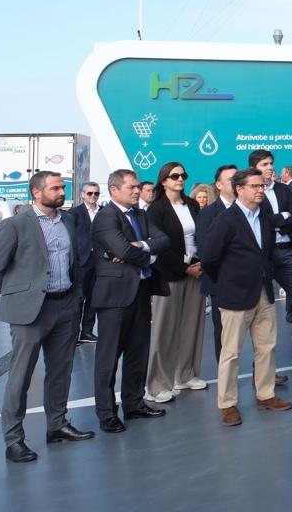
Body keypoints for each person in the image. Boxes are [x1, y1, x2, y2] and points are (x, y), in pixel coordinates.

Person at [0, 171, 93, 463]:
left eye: (62, 187)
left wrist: (75, 295)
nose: (61, 192)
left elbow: (75, 261)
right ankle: (14, 440)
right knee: (21, 377)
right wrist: (21, 295)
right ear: (36, 192)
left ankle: (57, 424)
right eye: (55, 188)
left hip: (65, 306)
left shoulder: (68, 220)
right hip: (31, 311)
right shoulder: (16, 225)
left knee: (61, 371)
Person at [198, 167, 292, 426]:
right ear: (239, 189)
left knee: (266, 346)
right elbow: (209, 258)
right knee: (231, 353)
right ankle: (227, 404)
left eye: (262, 186)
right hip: (234, 296)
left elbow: (267, 251)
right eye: (255, 186)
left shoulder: (264, 216)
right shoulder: (226, 221)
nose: (261, 190)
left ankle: (265, 394)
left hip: (263, 292)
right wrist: (228, 283)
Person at [91, 169, 170, 433]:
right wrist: (143, 250)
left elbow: (163, 240)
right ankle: (106, 414)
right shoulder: (105, 217)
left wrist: (142, 246)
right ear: (114, 190)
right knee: (109, 357)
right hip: (115, 297)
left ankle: (134, 404)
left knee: (138, 352)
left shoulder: (140, 213)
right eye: (132, 188)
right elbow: (121, 249)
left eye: (138, 187)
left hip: (141, 291)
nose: (137, 191)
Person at [144, 161, 208, 402]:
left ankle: (186, 374)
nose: (180, 179)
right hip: (170, 274)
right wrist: (184, 268)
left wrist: (200, 263)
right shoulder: (156, 209)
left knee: (193, 325)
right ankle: (158, 384)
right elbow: (160, 245)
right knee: (164, 330)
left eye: (183, 175)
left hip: (196, 269)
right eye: (174, 176)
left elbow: (200, 235)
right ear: (164, 180)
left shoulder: (192, 205)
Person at [249, 149, 292, 366]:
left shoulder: (285, 190)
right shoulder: (251, 191)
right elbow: (258, 221)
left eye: (271, 163)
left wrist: (279, 220)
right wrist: (280, 218)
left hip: (286, 252)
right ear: (254, 168)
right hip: (262, 256)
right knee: (261, 312)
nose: (270, 167)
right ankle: (262, 369)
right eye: (265, 164)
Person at [196, 164, 237, 361]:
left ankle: (262, 375)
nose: (237, 182)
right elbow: (206, 251)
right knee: (223, 333)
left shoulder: (253, 210)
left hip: (251, 281)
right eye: (231, 179)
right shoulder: (208, 213)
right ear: (219, 185)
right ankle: (226, 380)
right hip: (221, 282)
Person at [69, 182, 102, 343]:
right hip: (82, 260)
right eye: (89, 193)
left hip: (101, 261)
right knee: (78, 298)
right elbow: (69, 237)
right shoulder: (74, 213)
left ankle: (87, 331)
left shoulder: (104, 212)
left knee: (94, 298)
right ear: (82, 194)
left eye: (96, 193)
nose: (93, 196)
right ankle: (73, 334)